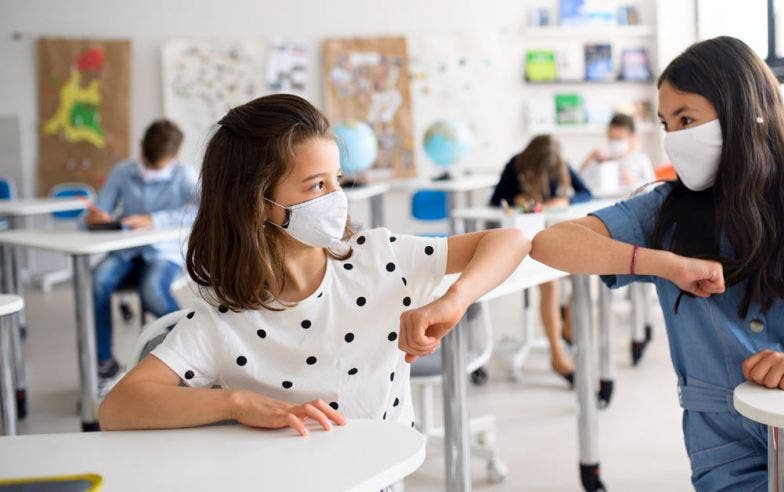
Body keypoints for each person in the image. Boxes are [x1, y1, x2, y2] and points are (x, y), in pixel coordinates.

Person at [531, 37, 784, 490]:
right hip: (735, 452)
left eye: (687, 119)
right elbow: (553, 242)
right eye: (668, 124)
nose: (674, 139)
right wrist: (665, 264)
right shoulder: (662, 212)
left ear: (745, 112)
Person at [99, 94, 531, 438]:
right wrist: (235, 403)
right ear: (256, 203)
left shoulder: (380, 259)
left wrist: (455, 299)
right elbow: (119, 407)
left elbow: (510, 239)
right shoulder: (225, 314)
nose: (336, 200)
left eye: (336, 181)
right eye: (316, 186)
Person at [83, 119, 198, 383]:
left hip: (163, 253)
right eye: (146, 162)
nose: (149, 169)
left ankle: (189, 353)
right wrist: (91, 218)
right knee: (97, 281)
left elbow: (201, 212)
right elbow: (100, 209)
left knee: (153, 291)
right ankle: (105, 361)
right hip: (126, 250)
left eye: (156, 167)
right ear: (141, 150)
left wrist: (154, 219)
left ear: (174, 157)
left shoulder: (186, 176)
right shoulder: (122, 172)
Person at [489, 135, 591, 385]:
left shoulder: (560, 164)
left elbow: (587, 193)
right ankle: (557, 355)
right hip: (523, 244)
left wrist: (565, 200)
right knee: (551, 282)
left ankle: (568, 328)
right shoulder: (515, 166)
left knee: (584, 268)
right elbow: (494, 202)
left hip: (552, 238)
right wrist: (516, 200)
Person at [580, 113, 655, 193]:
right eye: (611, 138)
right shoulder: (602, 160)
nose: (614, 143)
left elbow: (653, 188)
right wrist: (587, 162)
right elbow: (581, 184)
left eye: (619, 139)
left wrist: (634, 183)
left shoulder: (641, 160)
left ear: (632, 138)